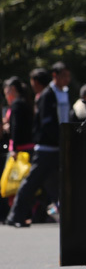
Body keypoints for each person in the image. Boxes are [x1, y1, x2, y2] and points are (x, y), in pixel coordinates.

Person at [6, 63, 70, 228]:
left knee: (57, 184)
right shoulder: (47, 95)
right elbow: (47, 124)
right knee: (31, 182)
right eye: (64, 75)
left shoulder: (63, 93)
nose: (67, 79)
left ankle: (69, 215)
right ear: (55, 75)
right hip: (47, 148)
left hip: (58, 146)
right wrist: (60, 139)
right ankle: (15, 216)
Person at [2, 76, 33, 223]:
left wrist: (13, 148)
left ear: (12, 90)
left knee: (15, 183)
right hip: (27, 147)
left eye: (6, 92)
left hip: (19, 149)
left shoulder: (16, 105)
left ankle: (16, 214)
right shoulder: (25, 103)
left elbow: (16, 128)